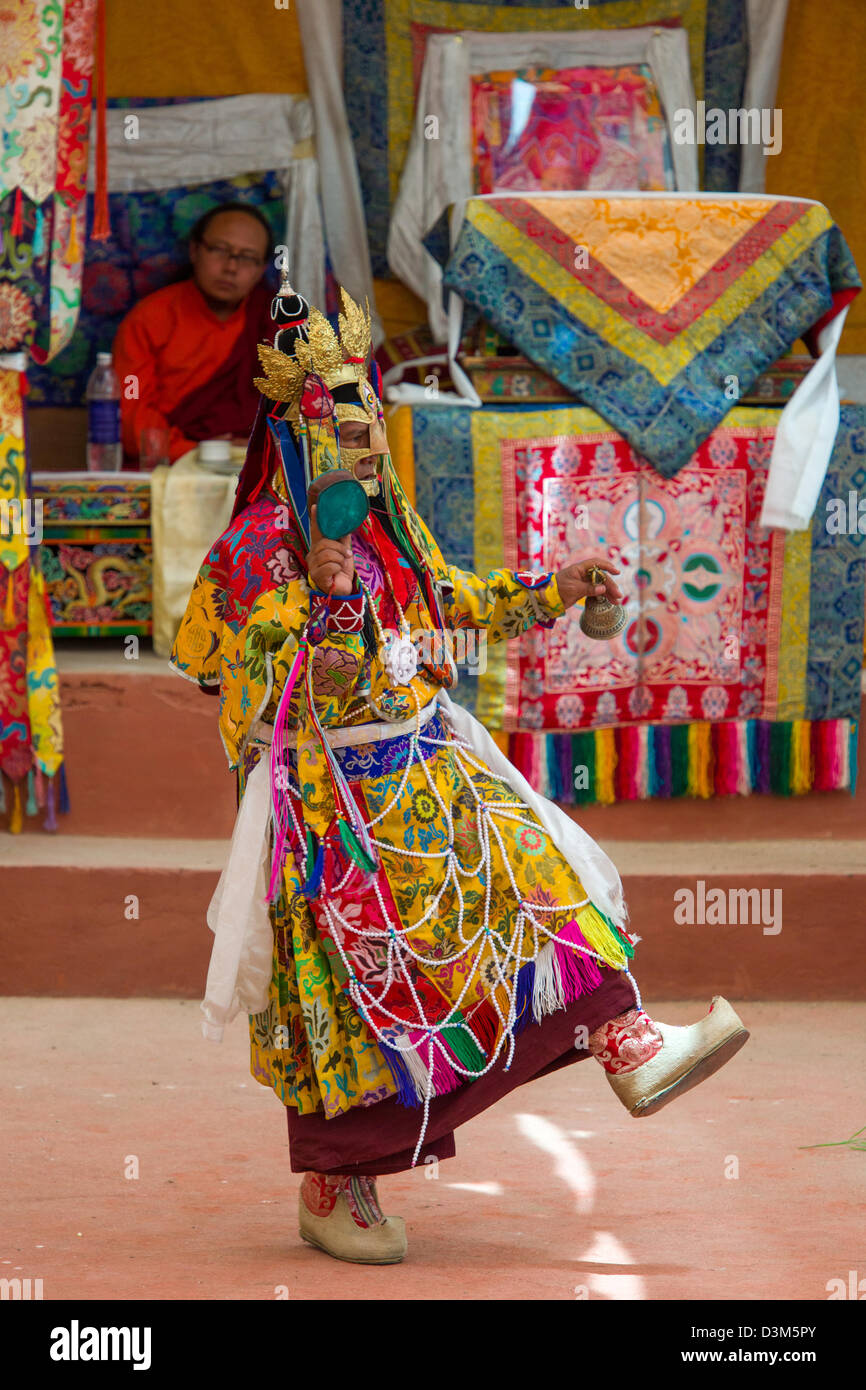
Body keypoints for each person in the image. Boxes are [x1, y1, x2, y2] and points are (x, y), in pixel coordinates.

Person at [171, 277, 750, 1265]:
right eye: (334, 407)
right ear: (293, 423)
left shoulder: (384, 526)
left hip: (429, 761)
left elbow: (449, 598)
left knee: (532, 873)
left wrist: (550, 591)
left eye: (366, 402)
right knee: (355, 990)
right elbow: (231, 669)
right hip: (328, 803)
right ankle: (335, 1181)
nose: (359, 427)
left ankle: (627, 1042)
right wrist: (320, 615)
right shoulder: (263, 542)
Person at [112, 203, 275, 465]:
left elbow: (298, 413)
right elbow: (131, 409)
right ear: (195, 251)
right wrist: (199, 454)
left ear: (261, 268)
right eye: (220, 250)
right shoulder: (149, 319)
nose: (231, 267)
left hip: (252, 465)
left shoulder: (276, 325)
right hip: (170, 464)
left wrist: (259, 449)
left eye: (247, 257)